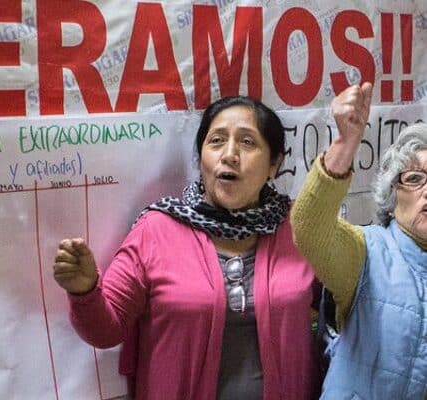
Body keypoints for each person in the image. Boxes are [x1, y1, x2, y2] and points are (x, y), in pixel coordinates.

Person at [53, 96, 321, 400]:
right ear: (201, 157)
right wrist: (85, 291)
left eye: (247, 142)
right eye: (216, 141)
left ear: (274, 164)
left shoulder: (300, 227)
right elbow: (106, 330)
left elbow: (344, 302)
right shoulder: (157, 229)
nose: (229, 154)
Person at [291, 82, 427, 399]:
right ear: (391, 196)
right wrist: (345, 143)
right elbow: (310, 227)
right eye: (415, 179)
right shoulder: (368, 250)